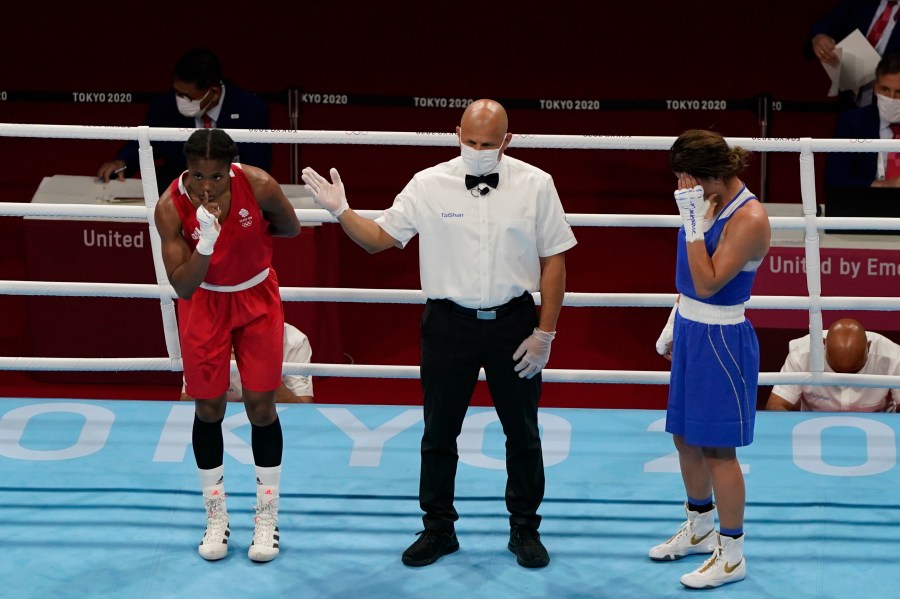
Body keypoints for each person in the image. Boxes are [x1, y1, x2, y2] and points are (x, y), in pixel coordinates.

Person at [301, 99, 577, 569]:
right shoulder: (429, 183)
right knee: (438, 432)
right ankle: (437, 529)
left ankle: (525, 529)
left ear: (507, 142)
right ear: (456, 133)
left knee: (523, 432)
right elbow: (377, 238)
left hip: (514, 322)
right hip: (448, 324)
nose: (477, 150)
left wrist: (544, 333)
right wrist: (341, 210)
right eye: (469, 141)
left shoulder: (536, 184)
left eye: (487, 144)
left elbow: (554, 259)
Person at [154, 128, 301, 563]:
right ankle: (215, 515)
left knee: (261, 407)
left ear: (230, 169)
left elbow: (290, 227)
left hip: (256, 298)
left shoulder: (259, 185)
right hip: (204, 302)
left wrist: (249, 234)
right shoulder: (169, 208)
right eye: (198, 176)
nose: (206, 187)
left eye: (216, 177)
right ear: (187, 169)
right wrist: (206, 242)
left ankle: (266, 517)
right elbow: (182, 286)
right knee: (208, 409)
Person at [652, 130, 771, 589]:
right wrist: (674, 318)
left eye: (687, 177)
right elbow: (690, 288)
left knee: (719, 451)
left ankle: (733, 552)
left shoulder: (750, 218)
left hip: (722, 338)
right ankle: (700, 526)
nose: (683, 186)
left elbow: (707, 282)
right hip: (691, 326)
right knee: (684, 437)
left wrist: (690, 221)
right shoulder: (707, 199)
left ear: (714, 173)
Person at [97, 48, 271, 193]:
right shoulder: (164, 107)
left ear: (214, 92)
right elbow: (143, 145)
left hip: (232, 192)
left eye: (187, 96)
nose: (179, 100)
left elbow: (258, 164)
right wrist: (122, 162)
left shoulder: (250, 108)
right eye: (177, 92)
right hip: (178, 192)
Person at [766, 318, 900, 412]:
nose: (844, 382)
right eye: (836, 371)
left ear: (869, 347)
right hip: (812, 424)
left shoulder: (892, 356)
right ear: (823, 345)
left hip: (876, 425)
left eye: (854, 372)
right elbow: (776, 405)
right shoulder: (802, 354)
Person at [180, 323, 315, 404]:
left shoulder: (294, 340)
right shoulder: (206, 337)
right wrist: (215, 371)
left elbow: (303, 411)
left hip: (272, 422)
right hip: (220, 424)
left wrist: (265, 373)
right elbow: (184, 406)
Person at [827, 52, 900, 188]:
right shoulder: (852, 122)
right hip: (867, 205)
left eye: (899, 92)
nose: (891, 98)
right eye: (884, 89)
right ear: (875, 88)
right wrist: (884, 186)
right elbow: (835, 180)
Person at [810, 0, 900, 108]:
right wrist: (819, 36)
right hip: (850, 99)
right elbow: (829, 22)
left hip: (891, 104)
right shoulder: (860, 2)